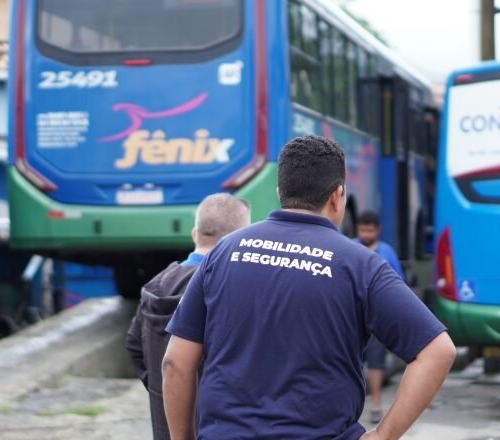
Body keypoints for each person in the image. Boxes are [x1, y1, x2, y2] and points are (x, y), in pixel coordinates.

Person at [162, 135, 456, 439]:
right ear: (337, 196)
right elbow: (437, 350)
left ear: (280, 192)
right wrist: (384, 435)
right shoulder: (360, 265)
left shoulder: (223, 252)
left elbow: (175, 362)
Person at [125, 193, 250, 440]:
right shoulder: (234, 287)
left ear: (195, 234)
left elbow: (134, 347)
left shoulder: (156, 286)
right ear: (239, 240)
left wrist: (164, 390)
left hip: (168, 429)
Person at [355, 210, 405, 424]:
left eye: (370, 230)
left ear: (378, 231)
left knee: (376, 364)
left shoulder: (387, 253)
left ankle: (376, 405)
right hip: (352, 318)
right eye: (363, 230)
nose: (366, 234)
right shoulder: (349, 248)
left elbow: (398, 285)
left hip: (376, 320)